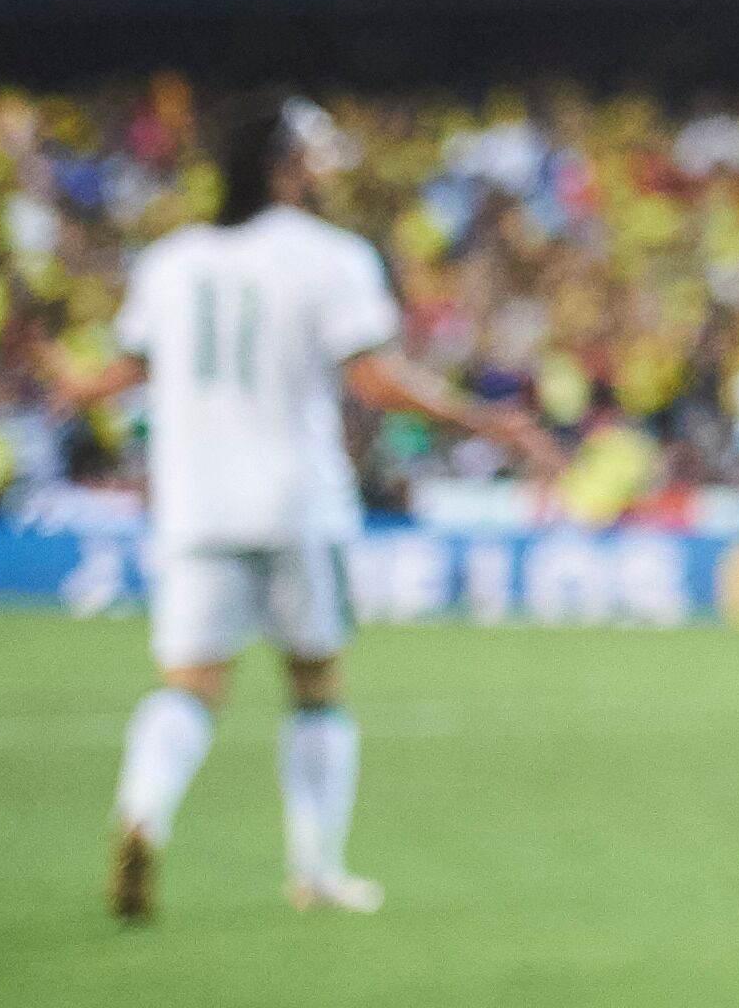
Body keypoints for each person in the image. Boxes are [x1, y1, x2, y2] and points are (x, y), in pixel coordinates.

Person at [64, 90, 556, 922]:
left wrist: (71, 386)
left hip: (194, 504)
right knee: (317, 683)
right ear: (283, 167)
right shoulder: (331, 258)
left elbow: (124, 370)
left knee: (189, 685)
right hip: (296, 497)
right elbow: (372, 378)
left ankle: (143, 813)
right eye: (314, 156)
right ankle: (316, 871)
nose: (325, 170)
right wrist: (481, 417)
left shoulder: (172, 261)